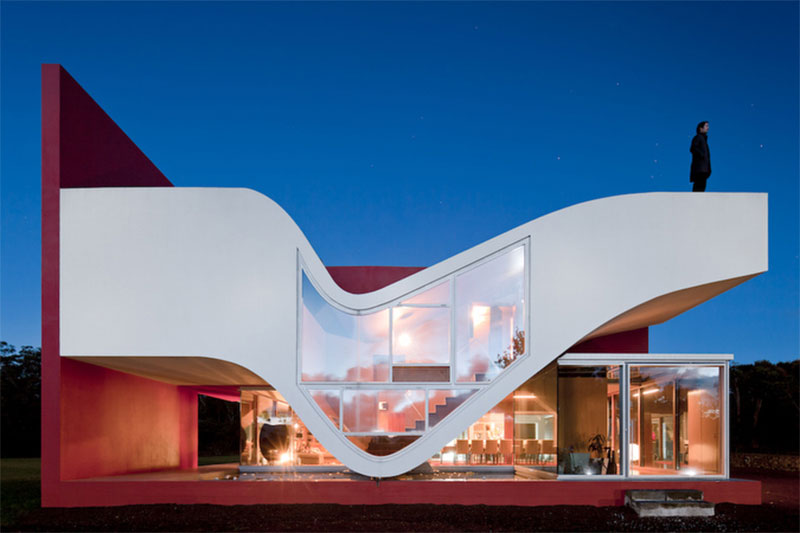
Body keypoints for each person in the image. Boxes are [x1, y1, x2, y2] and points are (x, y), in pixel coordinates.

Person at [690, 121, 711, 191]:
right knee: (698, 187)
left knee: (702, 187)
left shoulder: (704, 141)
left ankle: (699, 201)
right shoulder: (698, 137)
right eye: (706, 126)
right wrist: (701, 155)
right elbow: (693, 148)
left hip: (704, 169)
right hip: (699, 169)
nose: (708, 128)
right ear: (701, 128)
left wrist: (708, 167)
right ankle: (693, 201)